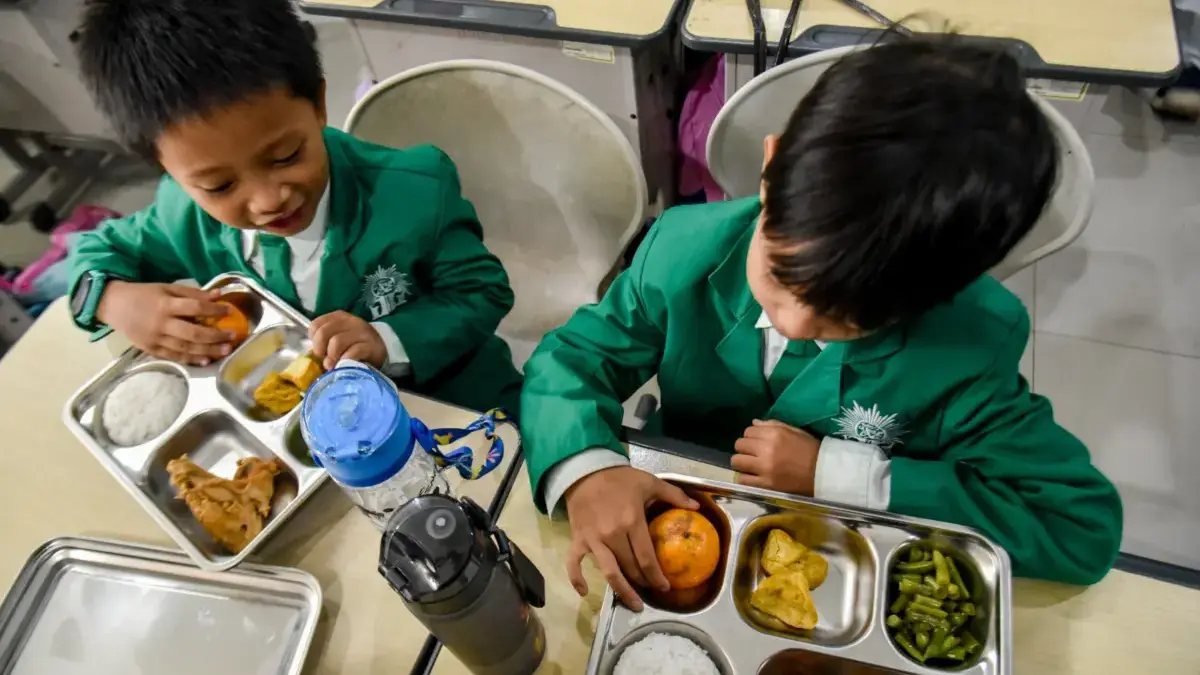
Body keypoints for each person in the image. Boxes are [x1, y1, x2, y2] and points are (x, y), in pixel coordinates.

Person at [520, 38, 1123, 610]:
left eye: (852, 318)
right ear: (772, 168)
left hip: (835, 540)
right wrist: (588, 469)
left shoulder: (966, 345)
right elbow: (572, 361)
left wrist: (844, 474)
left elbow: (1075, 525)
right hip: (691, 492)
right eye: (781, 274)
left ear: (938, 296)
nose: (797, 322)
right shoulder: (682, 252)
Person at [67, 0, 522, 415]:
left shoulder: (415, 191)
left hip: (452, 399)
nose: (269, 200)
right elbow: (96, 252)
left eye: (286, 156)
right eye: (220, 185)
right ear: (165, 168)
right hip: (312, 415)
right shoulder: (181, 214)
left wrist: (387, 340)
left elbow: (483, 291)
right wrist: (113, 300)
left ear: (318, 104)